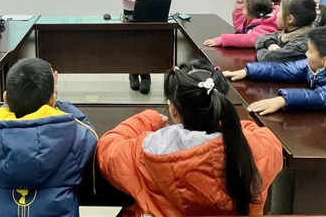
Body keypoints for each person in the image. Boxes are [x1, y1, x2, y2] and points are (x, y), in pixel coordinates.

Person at [97, 59, 283, 216]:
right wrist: (229, 125)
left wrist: (146, 119)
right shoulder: (258, 147)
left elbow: (107, 149)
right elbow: (259, 134)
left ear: (173, 110)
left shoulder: (147, 152)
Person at [0, 58, 97, 217]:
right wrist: (58, 104)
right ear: (52, 99)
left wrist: (13, 104)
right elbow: (90, 131)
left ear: (5, 98)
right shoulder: (75, 138)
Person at [222, 25, 326, 124]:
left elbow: (323, 97)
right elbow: (288, 69)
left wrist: (283, 100)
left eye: (310, 51)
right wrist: (249, 71)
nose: (306, 54)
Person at [254, 0, 326, 62]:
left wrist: (261, 50)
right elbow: (261, 38)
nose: (276, 15)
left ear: (290, 19)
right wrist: (270, 44)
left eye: (280, 11)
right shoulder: (289, 31)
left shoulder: (301, 44)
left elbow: (267, 58)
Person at [203, 0, 279, 48]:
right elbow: (239, 27)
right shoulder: (255, 19)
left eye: (244, 8)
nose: (242, 9)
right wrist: (238, 9)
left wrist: (222, 40)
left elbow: (250, 39)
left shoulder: (267, 25)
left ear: (252, 14)